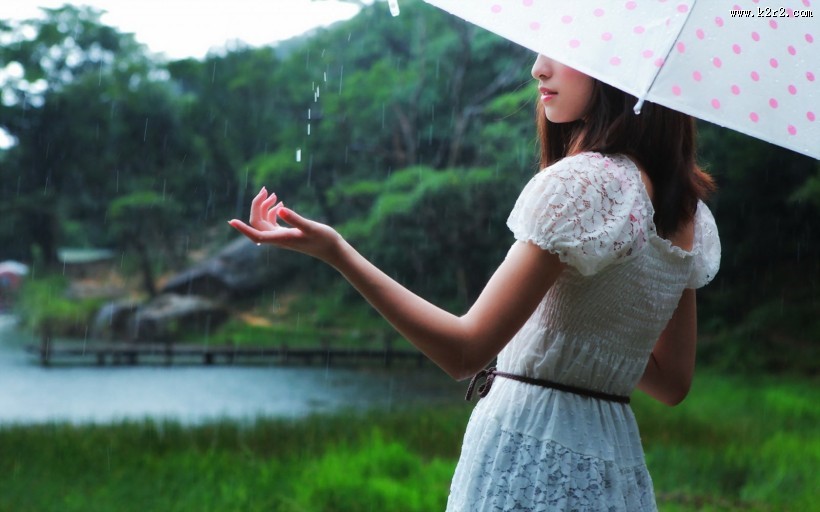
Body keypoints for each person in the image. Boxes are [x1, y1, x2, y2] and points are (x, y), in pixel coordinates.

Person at [229, 53, 720, 511]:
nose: (538, 69)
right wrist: (590, 344)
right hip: (612, 454)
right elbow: (672, 382)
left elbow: (464, 352)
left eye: (562, 54)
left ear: (619, 67)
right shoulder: (687, 214)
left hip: (532, 445)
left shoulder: (588, 184)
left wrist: (337, 252)